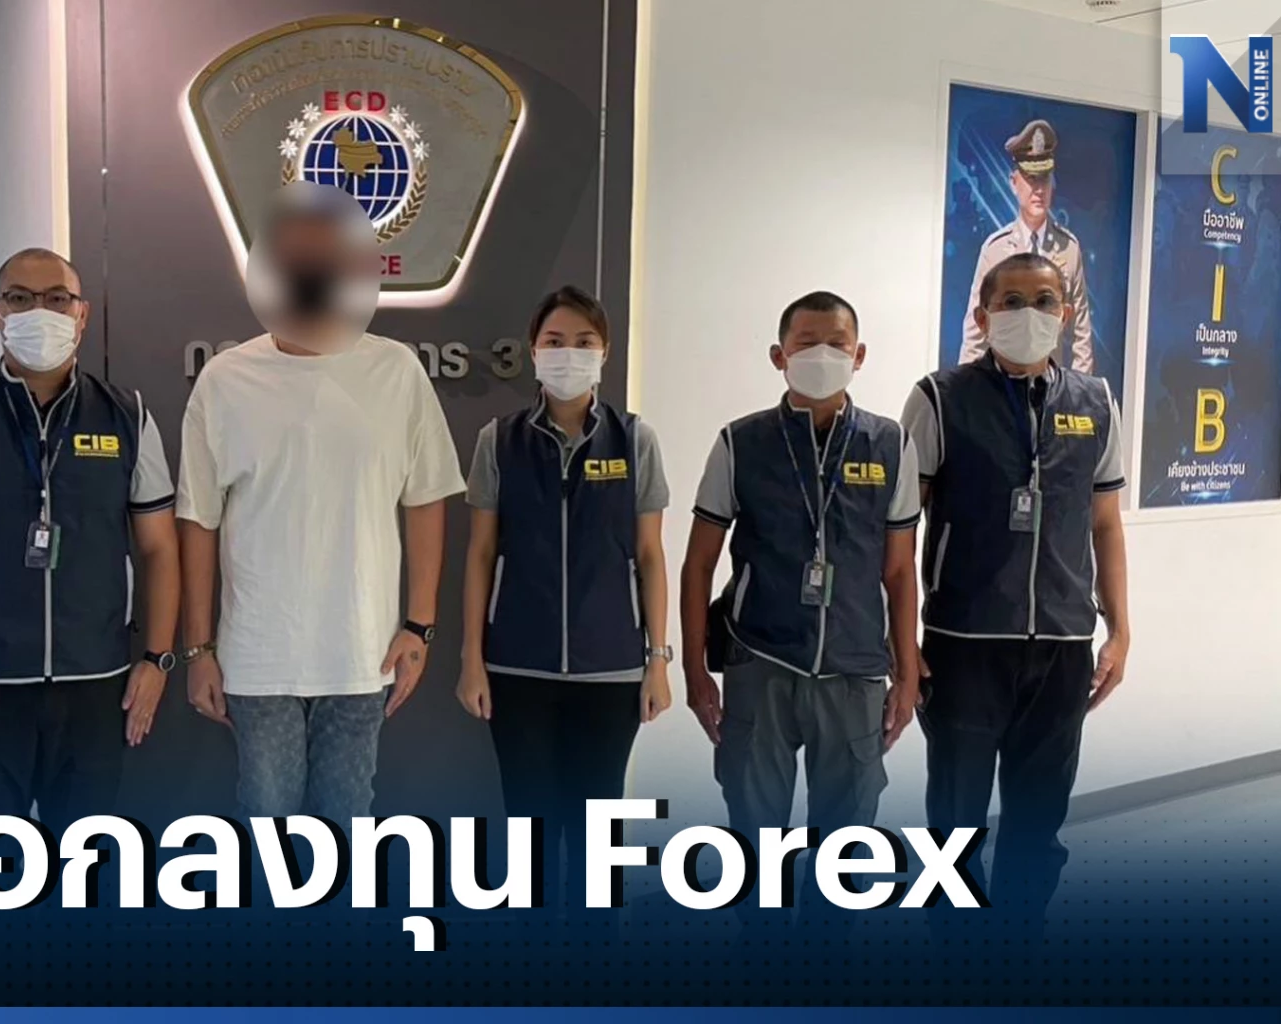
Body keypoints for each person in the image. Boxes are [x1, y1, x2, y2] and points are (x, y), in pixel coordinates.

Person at [177, 181, 464, 824]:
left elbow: (426, 497)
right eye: (296, 259)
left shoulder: (396, 372)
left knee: (347, 819)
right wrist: (199, 650)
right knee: (266, 819)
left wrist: (419, 626)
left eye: (325, 259)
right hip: (258, 657)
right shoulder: (225, 380)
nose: (310, 272)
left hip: (361, 652)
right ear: (269, 267)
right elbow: (198, 520)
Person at [0, 248, 179, 852]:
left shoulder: (128, 415)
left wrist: (157, 659)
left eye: (56, 299)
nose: (38, 310)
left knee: (88, 863)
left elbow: (158, 548)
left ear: (82, 314)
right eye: (19, 298)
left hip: (96, 683)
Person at [903, 251, 1130, 942]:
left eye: (1044, 300)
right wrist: (900, 642)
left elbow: (1105, 523)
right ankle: (952, 951)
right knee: (955, 820)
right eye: (1010, 301)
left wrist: (1120, 631)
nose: (1028, 313)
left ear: (1066, 314)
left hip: (1062, 646)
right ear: (982, 315)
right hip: (963, 645)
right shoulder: (940, 399)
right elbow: (897, 531)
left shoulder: (1095, 402)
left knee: (1039, 819)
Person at [678, 291, 921, 932]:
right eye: (806, 343)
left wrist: (907, 674)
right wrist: (696, 674)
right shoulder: (741, 443)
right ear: (778, 355)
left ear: (859, 355)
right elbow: (698, 564)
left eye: (837, 344)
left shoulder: (891, 444)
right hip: (760, 663)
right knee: (755, 842)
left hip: (855, 672)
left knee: (847, 849)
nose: (822, 355)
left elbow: (900, 572)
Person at [455, 285, 673, 910]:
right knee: (529, 828)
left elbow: (651, 556)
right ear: (533, 351)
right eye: (555, 341)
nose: (568, 353)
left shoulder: (635, 440)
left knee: (597, 831)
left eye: (583, 342)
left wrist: (658, 660)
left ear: (604, 353)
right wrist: (472, 659)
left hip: (612, 670)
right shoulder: (499, 440)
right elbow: (480, 554)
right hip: (517, 667)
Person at [960, 118, 1096, 374]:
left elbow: (1081, 334)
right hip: (1001, 381)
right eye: (1031, 179)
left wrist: (1080, 389)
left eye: (1044, 179)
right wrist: (966, 388)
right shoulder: (996, 250)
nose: (1039, 190)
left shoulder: (1068, 248)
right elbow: (975, 332)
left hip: (1049, 381)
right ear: (1014, 183)